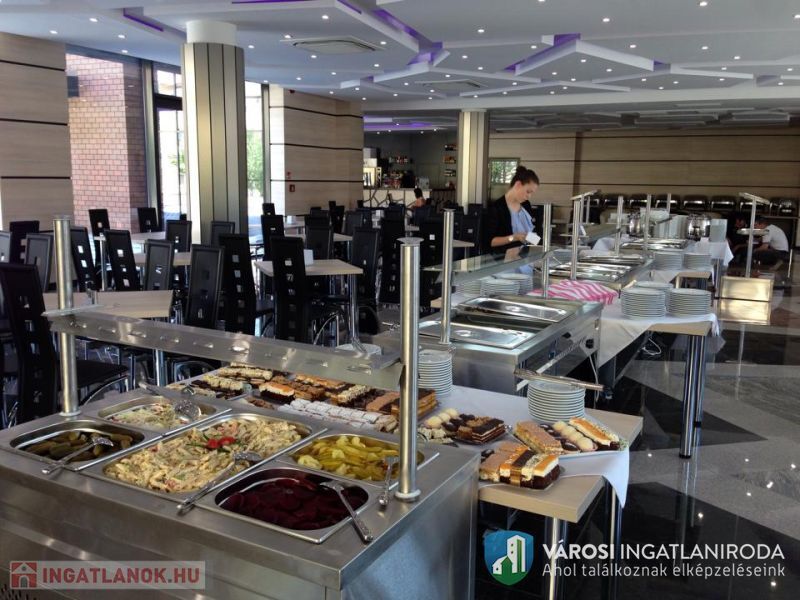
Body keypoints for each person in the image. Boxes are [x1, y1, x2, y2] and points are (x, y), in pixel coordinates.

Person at [486, 165, 540, 252]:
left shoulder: (526, 205)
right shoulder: (497, 207)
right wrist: (514, 237)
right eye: (528, 191)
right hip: (504, 259)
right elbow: (490, 242)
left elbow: (534, 236)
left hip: (526, 257)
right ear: (518, 185)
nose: (529, 196)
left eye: (531, 193)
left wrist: (535, 239)